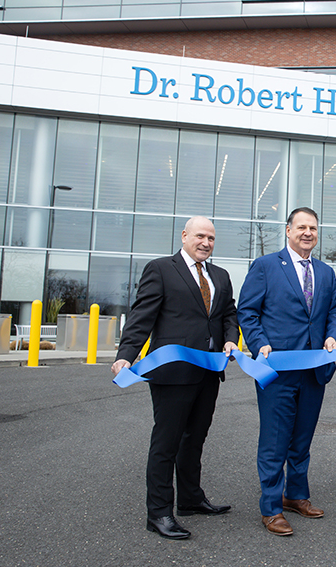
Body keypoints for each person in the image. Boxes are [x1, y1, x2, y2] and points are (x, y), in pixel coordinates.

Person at [111, 216, 239, 540]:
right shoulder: (161, 269)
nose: (206, 243)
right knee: (166, 444)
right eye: (199, 236)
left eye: (211, 238)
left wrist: (229, 339)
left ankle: (191, 499)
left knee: (194, 439)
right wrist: (125, 355)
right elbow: (142, 316)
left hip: (210, 372)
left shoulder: (220, 276)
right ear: (184, 236)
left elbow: (228, 315)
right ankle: (158, 513)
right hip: (172, 373)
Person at [237, 207, 336, 537]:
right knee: (275, 441)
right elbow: (247, 311)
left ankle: (295, 495)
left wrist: (332, 336)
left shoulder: (325, 273)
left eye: (313, 227)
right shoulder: (266, 266)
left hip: (314, 370)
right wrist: (260, 344)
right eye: (301, 227)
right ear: (288, 230)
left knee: (302, 439)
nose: (307, 233)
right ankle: (271, 507)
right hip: (278, 370)